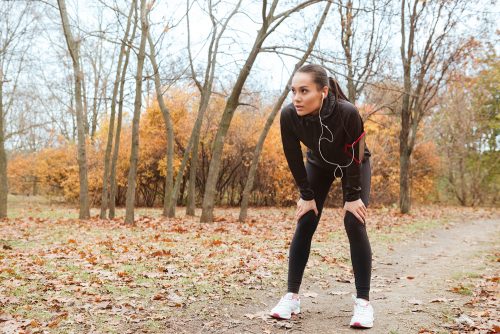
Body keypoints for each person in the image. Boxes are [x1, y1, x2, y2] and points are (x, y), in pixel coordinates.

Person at [269, 64, 374, 329]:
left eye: (304, 91)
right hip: (318, 163)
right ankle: (291, 297)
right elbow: (293, 156)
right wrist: (306, 195)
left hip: (353, 162)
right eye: (293, 91)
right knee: (306, 219)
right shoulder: (289, 115)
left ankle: (363, 303)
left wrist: (352, 197)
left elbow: (355, 153)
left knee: (354, 221)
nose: (297, 97)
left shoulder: (347, 112)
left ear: (323, 92)